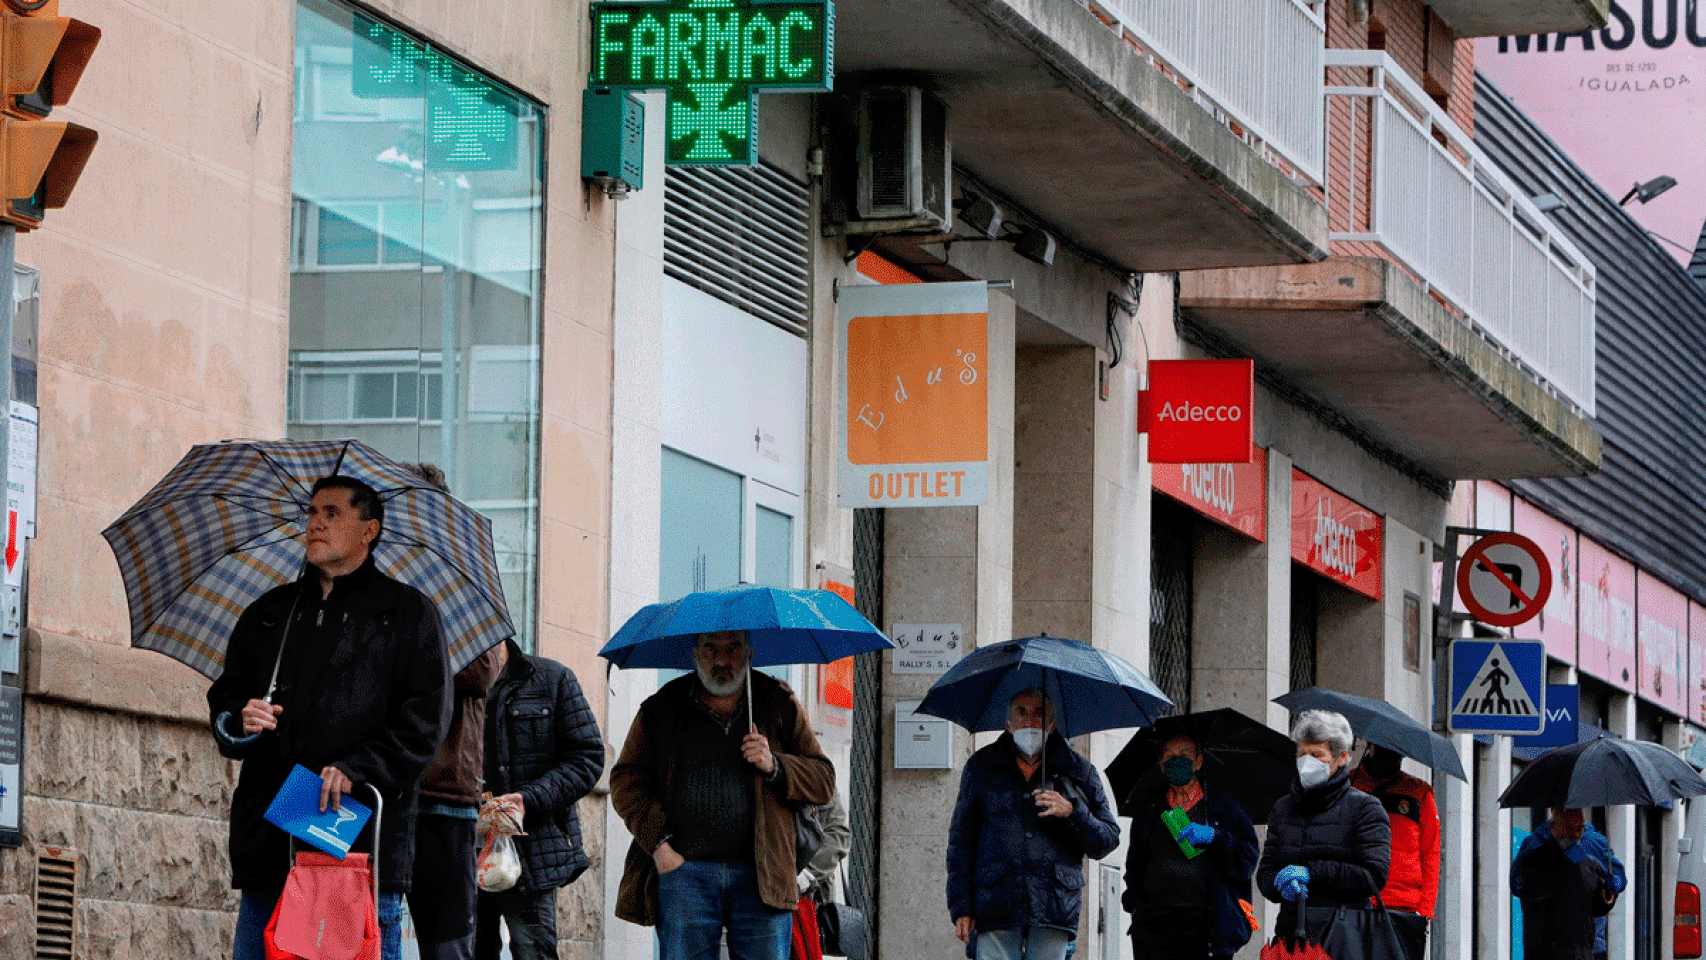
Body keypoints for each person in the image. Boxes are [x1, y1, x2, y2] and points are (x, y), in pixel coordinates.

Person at [208, 475, 451, 960]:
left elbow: (424, 722)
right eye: (313, 512)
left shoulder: (407, 614)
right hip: (271, 834)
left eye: (332, 513)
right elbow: (226, 698)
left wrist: (359, 768)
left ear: (370, 530)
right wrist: (240, 716)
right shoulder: (269, 612)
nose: (316, 523)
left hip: (354, 837)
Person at [611, 630, 835, 960]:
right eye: (710, 648)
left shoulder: (777, 702)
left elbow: (823, 779)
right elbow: (626, 781)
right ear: (694, 655)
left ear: (749, 654)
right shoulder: (664, 707)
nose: (721, 660)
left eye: (732, 649)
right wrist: (660, 847)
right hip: (685, 874)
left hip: (764, 876)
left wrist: (774, 763)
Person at [399, 463, 505, 960]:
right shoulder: (366, 583)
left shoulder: (462, 576)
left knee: (446, 947)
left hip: (443, 796)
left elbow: (480, 670)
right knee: (362, 934)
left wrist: (402, 651)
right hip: (376, 791)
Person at [946, 689, 1120, 960]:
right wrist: (962, 908)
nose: (1030, 721)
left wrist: (1073, 812)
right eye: (1022, 713)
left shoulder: (1078, 770)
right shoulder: (981, 766)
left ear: (1051, 726)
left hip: (1054, 907)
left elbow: (1107, 840)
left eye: (1040, 714)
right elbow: (961, 842)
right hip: (996, 903)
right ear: (1008, 724)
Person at [475, 636, 606, 960]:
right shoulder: (451, 684)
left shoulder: (551, 678)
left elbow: (586, 758)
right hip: (464, 848)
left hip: (531, 851)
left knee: (534, 951)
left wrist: (529, 800)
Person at [1122, 734, 1260, 960]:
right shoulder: (1150, 807)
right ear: (1161, 765)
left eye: (1185, 755)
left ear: (1198, 761)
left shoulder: (1223, 806)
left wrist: (1215, 836)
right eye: (1170, 756)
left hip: (1208, 925)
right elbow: (1135, 863)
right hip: (1155, 927)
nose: (1177, 761)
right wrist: (1135, 907)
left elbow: (1247, 859)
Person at [1256, 710, 1391, 940]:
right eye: (1302, 753)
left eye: (1317, 755)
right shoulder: (1283, 808)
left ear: (1341, 757)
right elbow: (1265, 873)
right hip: (1292, 936)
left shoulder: (1365, 808)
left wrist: (1312, 874)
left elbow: (1373, 875)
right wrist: (1278, 883)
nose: (1307, 762)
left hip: (1343, 938)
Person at [1511, 808, 1626, 960]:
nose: (1576, 836)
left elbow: (1595, 903)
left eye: (1579, 829)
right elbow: (1523, 888)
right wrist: (1564, 865)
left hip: (1584, 948)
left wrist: (1609, 894)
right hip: (1546, 952)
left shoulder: (1590, 856)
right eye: (1570, 829)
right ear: (1554, 827)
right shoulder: (1534, 852)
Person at [1350, 744, 1439, 920]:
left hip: (1402, 906)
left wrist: (1425, 910)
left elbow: (1431, 853)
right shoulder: (1348, 784)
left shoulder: (1419, 792)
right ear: (1371, 747)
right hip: (1354, 899)